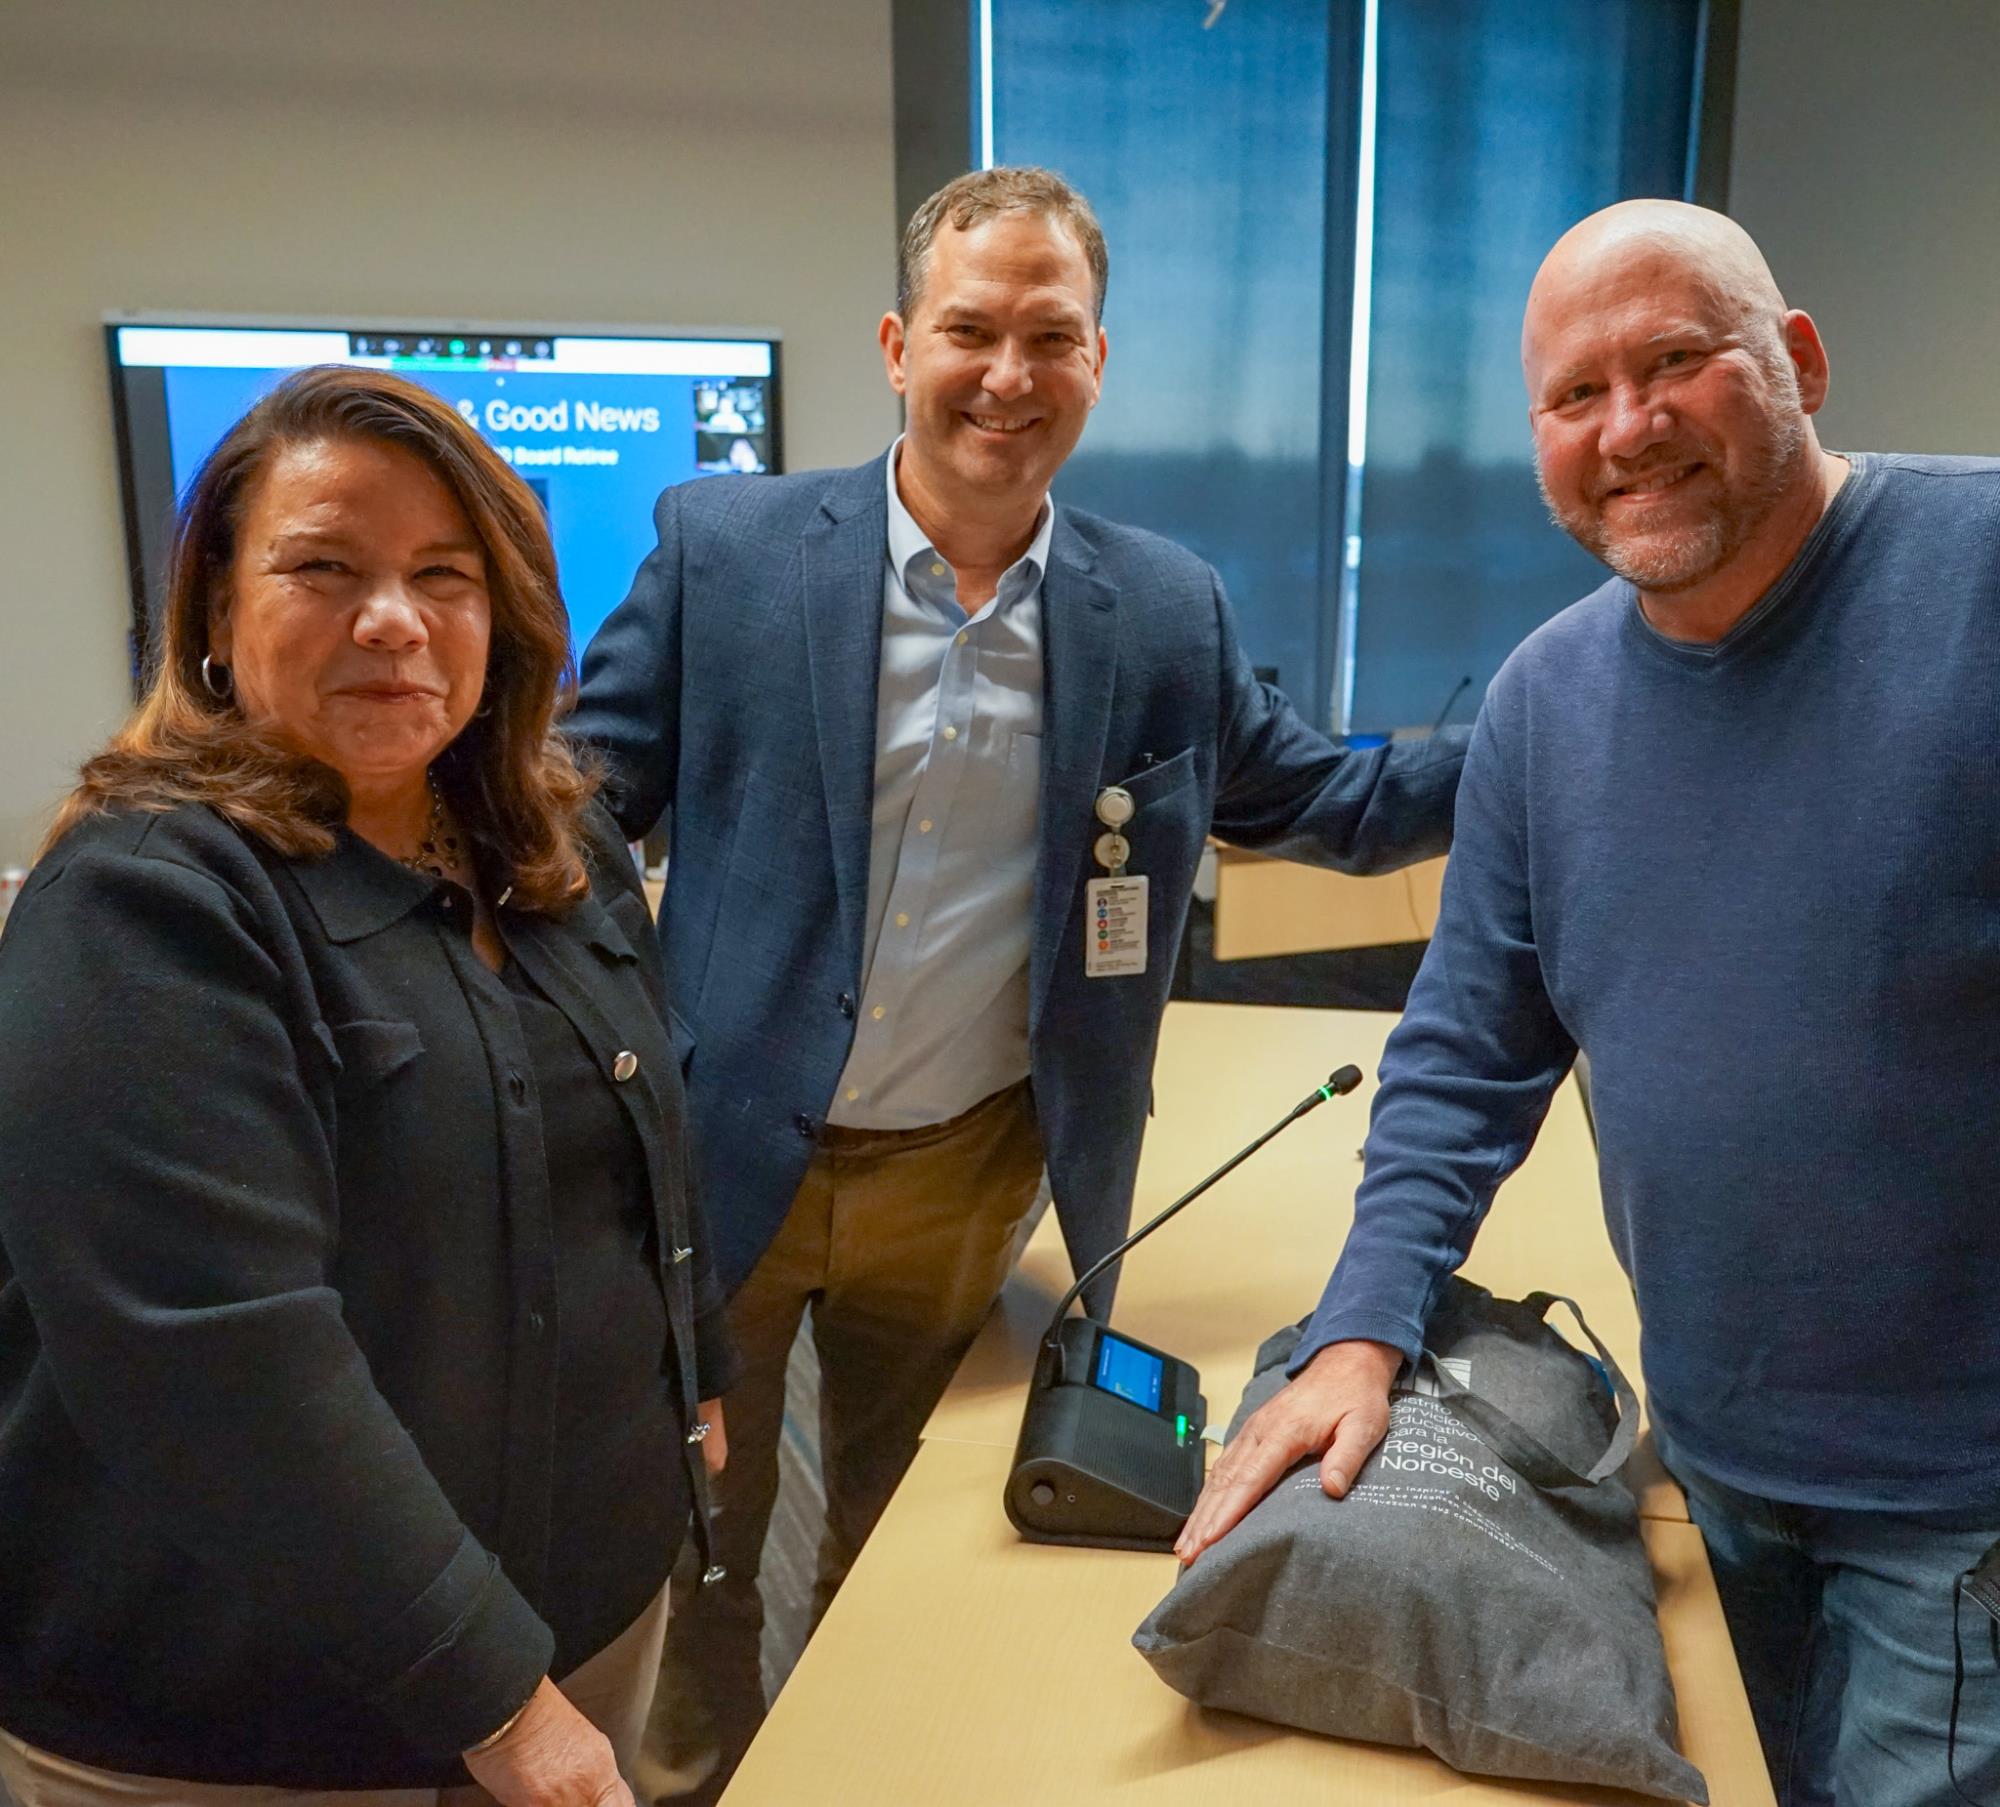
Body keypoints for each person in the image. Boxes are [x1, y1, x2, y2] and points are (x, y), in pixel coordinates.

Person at [568, 164, 1468, 1803]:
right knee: (696, 1534)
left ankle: (858, 1765)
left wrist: (1553, 729)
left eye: (1050, 336)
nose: (1008, 374)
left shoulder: (1164, 607)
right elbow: (581, 797)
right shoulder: (732, 550)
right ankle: (699, 1774)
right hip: (721, 1155)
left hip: (967, 1171)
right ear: (901, 345)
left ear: (1098, 363)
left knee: (903, 1536)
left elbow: (1322, 801)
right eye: (971, 331)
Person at [1176, 200, 2000, 1807]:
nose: (1629, 429)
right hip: (1709, 1450)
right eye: (1575, 395)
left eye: (1677, 361)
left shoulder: (1980, 579)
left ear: (1800, 362)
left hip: (1961, 1496)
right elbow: (1469, 1054)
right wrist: (1361, 1325)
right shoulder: (1550, 701)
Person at [0, 366, 737, 1806]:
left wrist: (695, 1365)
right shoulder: (145, 905)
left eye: (442, 576)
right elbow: (219, 1361)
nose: (393, 619)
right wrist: (499, 1701)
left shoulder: (551, 844)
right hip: (268, 1717)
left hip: (581, 1622)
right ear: (215, 612)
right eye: (323, 568)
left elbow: (650, 1138)